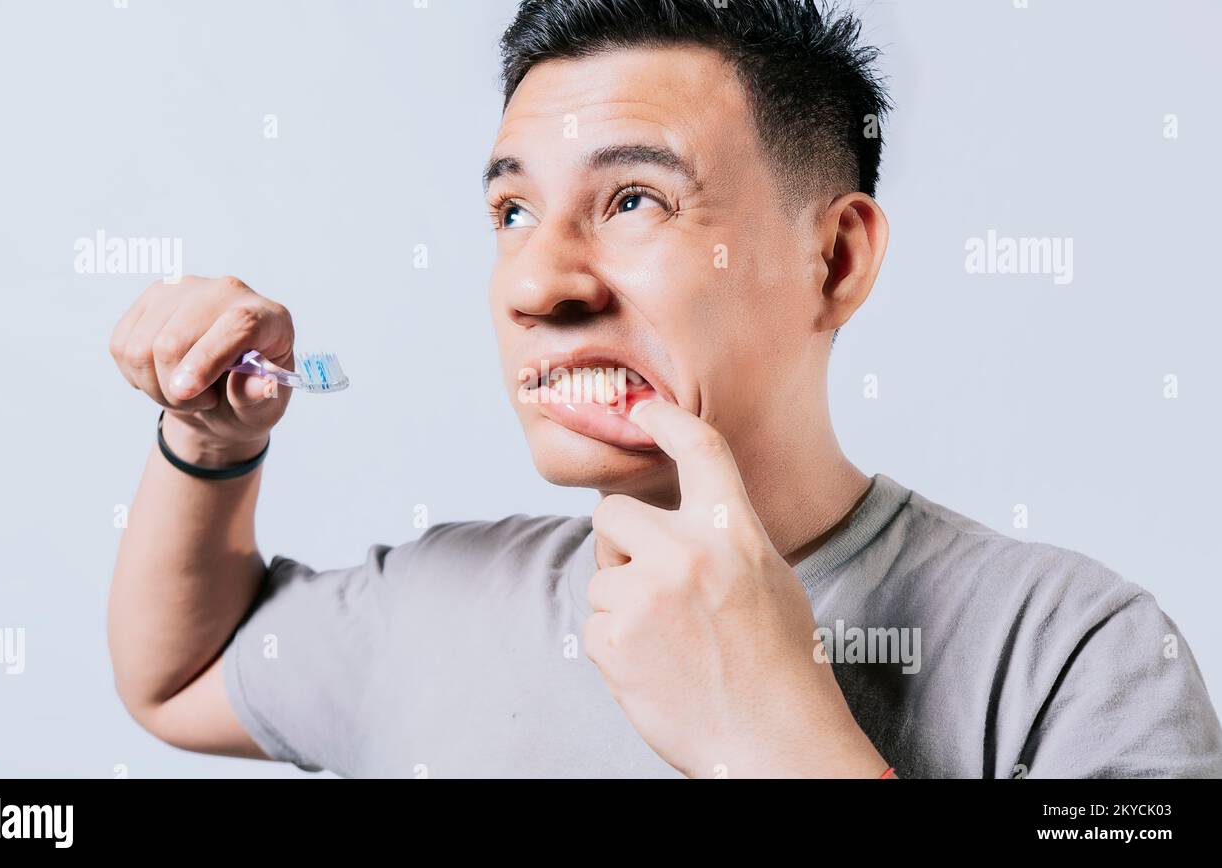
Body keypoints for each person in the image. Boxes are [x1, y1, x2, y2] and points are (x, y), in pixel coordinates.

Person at [107, 0, 1222, 778]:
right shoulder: (437, 604)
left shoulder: (1078, 655)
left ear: (832, 260)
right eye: (511, 213)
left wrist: (782, 745)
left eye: (635, 199)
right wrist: (209, 440)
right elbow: (180, 676)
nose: (536, 284)